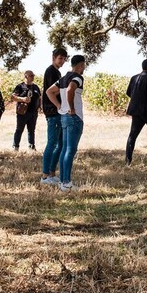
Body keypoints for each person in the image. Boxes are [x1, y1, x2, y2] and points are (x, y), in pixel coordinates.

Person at [46, 55, 86, 191]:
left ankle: (62, 181)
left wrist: (59, 105)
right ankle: (66, 182)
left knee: (64, 149)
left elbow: (49, 91)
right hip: (74, 117)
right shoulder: (77, 77)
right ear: (80, 65)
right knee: (70, 149)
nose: (84, 69)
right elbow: (71, 89)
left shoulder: (63, 78)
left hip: (63, 116)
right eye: (84, 66)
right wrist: (72, 108)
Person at [41, 48, 68, 184]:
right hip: (52, 112)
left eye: (64, 59)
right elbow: (50, 91)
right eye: (60, 58)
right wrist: (58, 105)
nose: (62, 61)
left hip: (58, 111)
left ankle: (51, 173)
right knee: (52, 143)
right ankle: (45, 175)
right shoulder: (51, 71)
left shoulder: (57, 72)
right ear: (53, 57)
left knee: (60, 143)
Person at [12, 71, 41, 151]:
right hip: (22, 112)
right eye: (31, 75)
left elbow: (39, 97)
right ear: (26, 76)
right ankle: (16, 146)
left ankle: (32, 146)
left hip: (33, 112)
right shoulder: (20, 86)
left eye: (33, 75)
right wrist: (22, 99)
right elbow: (13, 97)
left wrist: (40, 106)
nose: (33, 77)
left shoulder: (35, 87)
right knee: (19, 129)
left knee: (31, 130)